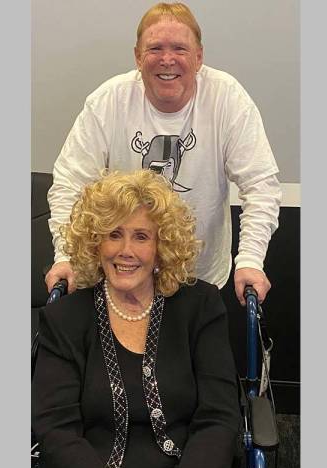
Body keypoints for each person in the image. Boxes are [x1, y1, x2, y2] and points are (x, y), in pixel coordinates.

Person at [45, 2, 282, 306]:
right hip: (122, 275)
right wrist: (65, 256)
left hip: (201, 278)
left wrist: (249, 258)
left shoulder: (227, 98)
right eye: (155, 48)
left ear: (199, 57)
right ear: (138, 57)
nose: (167, 60)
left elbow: (261, 185)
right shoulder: (109, 101)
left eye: (180, 49)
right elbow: (69, 183)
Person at [32, 170, 240, 468]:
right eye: (113, 234)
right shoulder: (64, 320)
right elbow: (57, 430)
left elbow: (218, 418)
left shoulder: (201, 308)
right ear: (95, 242)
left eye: (141, 236)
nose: (125, 250)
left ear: (162, 246)